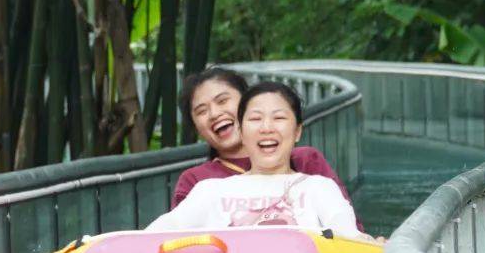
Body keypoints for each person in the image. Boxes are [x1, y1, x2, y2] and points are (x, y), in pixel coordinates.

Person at [149, 81, 366, 238]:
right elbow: (157, 235)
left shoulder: (319, 188)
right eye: (255, 119)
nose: (266, 128)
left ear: (298, 131)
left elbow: (348, 235)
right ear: (241, 132)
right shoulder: (209, 191)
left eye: (279, 118)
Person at [171, 66, 349, 208]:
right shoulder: (198, 183)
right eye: (201, 111)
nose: (214, 113)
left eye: (222, 101)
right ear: (195, 127)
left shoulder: (306, 162)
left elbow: (350, 231)